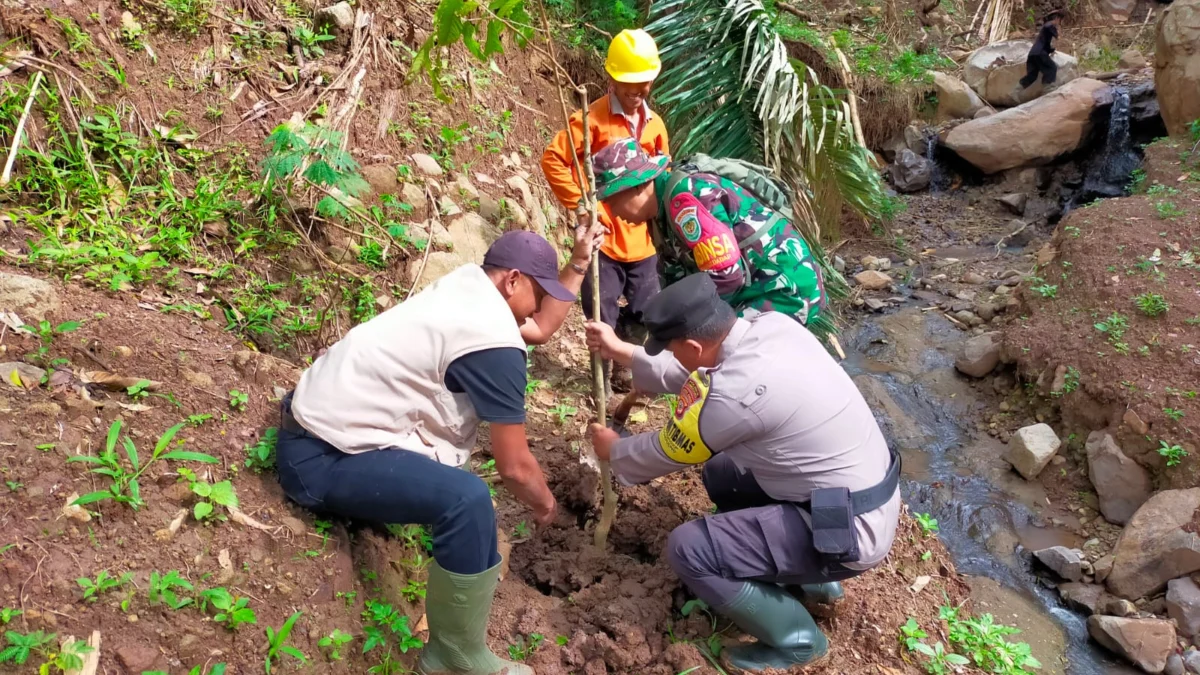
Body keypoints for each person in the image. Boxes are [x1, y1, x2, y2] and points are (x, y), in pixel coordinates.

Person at [276, 227, 601, 675]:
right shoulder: (495, 344)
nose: (540, 304)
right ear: (512, 280)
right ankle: (453, 656)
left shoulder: (467, 286)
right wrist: (549, 508)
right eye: (537, 291)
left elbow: (542, 328)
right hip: (320, 458)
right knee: (467, 502)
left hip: (321, 422)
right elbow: (515, 468)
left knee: (468, 500)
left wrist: (579, 261)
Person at [585, 274, 900, 672]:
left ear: (695, 344)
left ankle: (799, 641)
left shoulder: (735, 397)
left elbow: (670, 449)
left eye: (672, 348)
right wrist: (626, 353)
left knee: (689, 549)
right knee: (722, 472)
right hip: (858, 497)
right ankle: (815, 583)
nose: (672, 355)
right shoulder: (772, 328)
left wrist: (615, 450)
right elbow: (700, 375)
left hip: (851, 532)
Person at [589, 137, 829, 335]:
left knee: (730, 356)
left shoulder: (685, 199)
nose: (611, 212)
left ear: (638, 186)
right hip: (760, 289)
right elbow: (679, 281)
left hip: (783, 289)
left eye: (612, 201)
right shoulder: (660, 213)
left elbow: (726, 276)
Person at [541, 28, 671, 393]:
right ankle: (601, 384)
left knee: (647, 310)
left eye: (644, 86)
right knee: (602, 311)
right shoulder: (591, 119)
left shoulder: (655, 124)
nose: (637, 93)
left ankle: (629, 366)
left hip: (643, 242)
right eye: (630, 86)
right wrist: (584, 205)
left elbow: (663, 172)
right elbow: (554, 159)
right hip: (605, 240)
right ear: (611, 79)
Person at [1020, 11, 1062, 90]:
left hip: (1033, 53)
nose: (1059, 23)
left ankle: (1015, 91)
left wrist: (1051, 50)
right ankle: (1048, 88)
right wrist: (1057, 33)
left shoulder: (1044, 30)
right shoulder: (1049, 25)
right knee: (1051, 68)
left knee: (1032, 75)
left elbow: (1044, 43)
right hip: (1040, 53)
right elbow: (1053, 32)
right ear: (1057, 18)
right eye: (1059, 20)